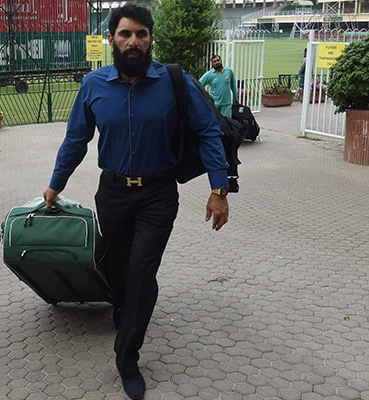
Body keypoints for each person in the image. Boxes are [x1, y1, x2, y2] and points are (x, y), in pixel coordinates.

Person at [42, 4, 230, 399]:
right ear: (111, 39)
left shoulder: (174, 81)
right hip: (112, 193)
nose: (133, 41)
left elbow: (209, 132)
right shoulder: (93, 85)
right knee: (119, 271)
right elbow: (76, 139)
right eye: (125, 34)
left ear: (150, 40)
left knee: (142, 272)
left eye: (141, 34)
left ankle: (127, 356)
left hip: (158, 194)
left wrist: (219, 189)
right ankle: (126, 307)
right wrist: (55, 185)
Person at [198, 54, 239, 118]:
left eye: (218, 60)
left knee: (227, 124)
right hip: (214, 105)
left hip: (226, 104)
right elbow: (199, 85)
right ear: (212, 64)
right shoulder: (209, 74)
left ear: (221, 61)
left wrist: (236, 99)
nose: (217, 62)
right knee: (216, 123)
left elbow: (233, 85)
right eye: (214, 61)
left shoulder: (229, 71)